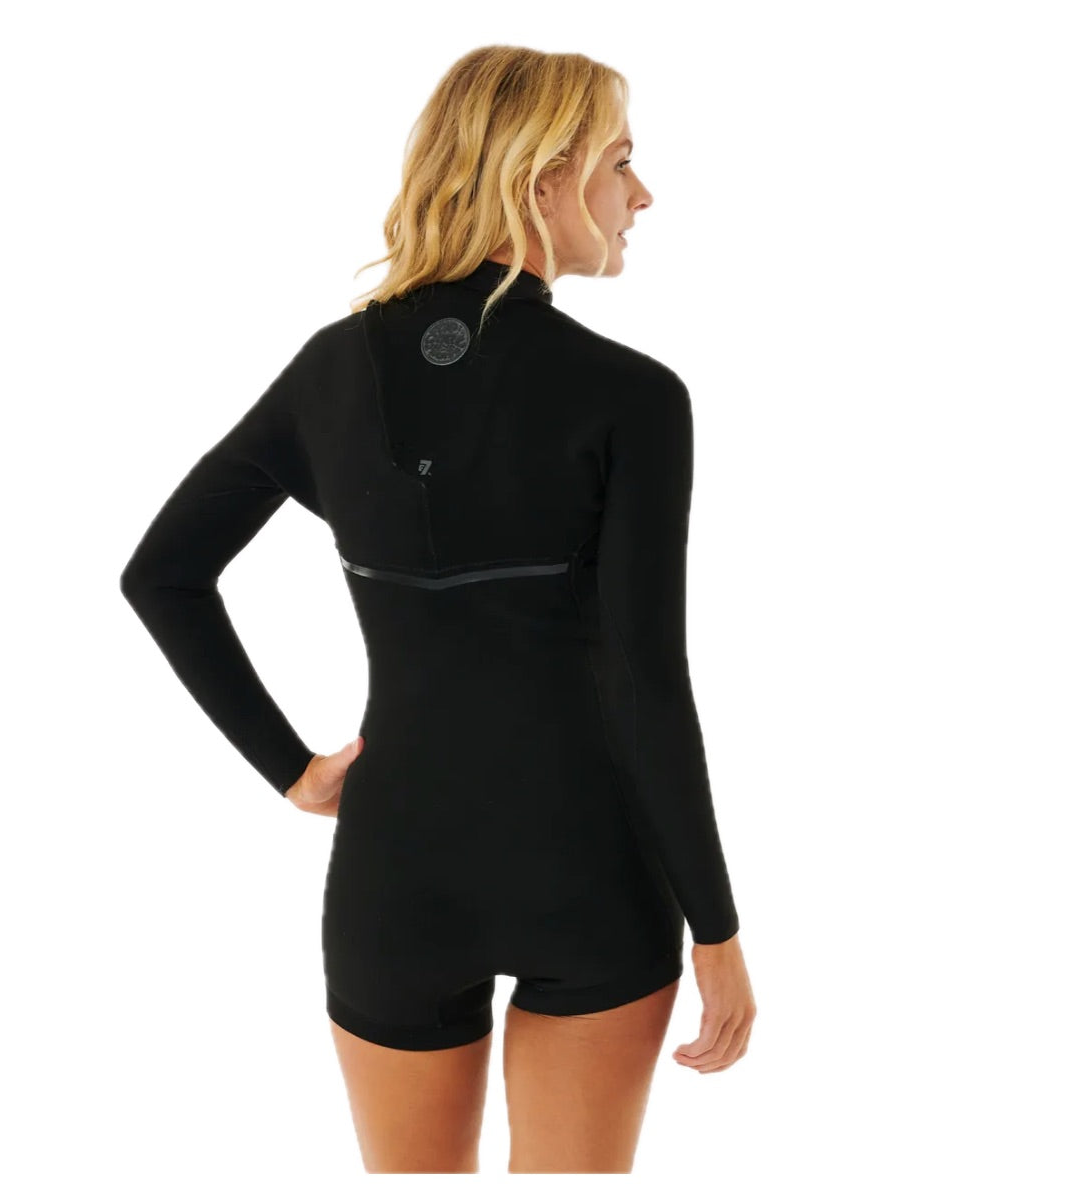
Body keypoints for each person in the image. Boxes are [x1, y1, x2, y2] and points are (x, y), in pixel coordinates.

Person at [120, 44, 756, 1174]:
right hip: (592, 871)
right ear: (544, 180)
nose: (643, 194)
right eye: (620, 163)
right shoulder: (634, 398)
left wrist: (292, 768)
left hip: (395, 871)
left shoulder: (332, 369)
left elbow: (163, 574)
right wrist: (717, 928)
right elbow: (647, 681)